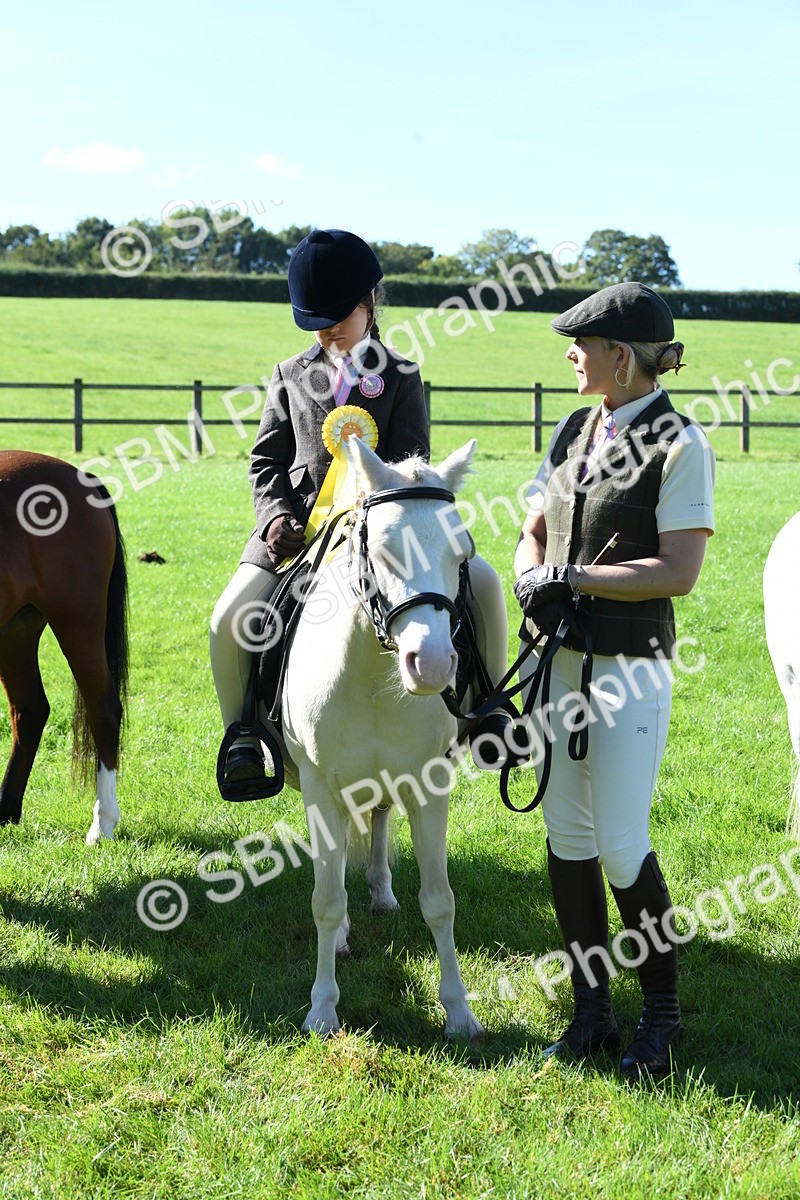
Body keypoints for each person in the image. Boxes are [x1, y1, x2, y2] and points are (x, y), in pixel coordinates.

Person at [210, 228, 514, 790]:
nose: (328, 331)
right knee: (228, 617)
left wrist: (376, 519)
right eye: (316, 322)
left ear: (370, 302)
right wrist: (274, 517)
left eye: (338, 317)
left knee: (487, 583)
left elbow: (414, 465)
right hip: (298, 534)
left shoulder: (400, 376)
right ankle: (244, 735)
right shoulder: (290, 375)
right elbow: (265, 460)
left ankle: (490, 709)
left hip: (385, 535)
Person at [513, 282, 715, 1080]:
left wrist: (574, 579)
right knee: (566, 838)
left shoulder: (681, 444)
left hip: (628, 673)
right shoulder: (573, 428)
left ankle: (661, 1020)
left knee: (622, 842)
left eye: (583, 345)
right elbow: (533, 530)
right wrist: (531, 575)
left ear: (621, 358)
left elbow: (678, 570)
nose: (572, 354)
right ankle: (591, 1012)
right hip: (557, 663)